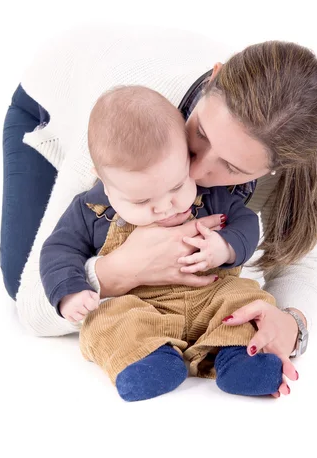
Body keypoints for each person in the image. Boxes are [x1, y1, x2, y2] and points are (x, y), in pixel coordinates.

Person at [1, 26, 317, 398]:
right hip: (52, 101)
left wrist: (290, 323)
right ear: (213, 79)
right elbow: (33, 305)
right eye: (201, 132)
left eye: (232, 169)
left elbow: (300, 259)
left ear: (276, 168)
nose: (196, 174)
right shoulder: (125, 124)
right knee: (18, 275)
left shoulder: (275, 134)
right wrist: (118, 271)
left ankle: (232, 356)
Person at [39, 86, 283, 401]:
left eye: (177, 185)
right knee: (105, 320)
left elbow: (247, 223)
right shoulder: (90, 210)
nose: (166, 206)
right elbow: (58, 251)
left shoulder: (210, 195)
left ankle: (237, 357)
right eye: (142, 200)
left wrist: (225, 247)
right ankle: (149, 359)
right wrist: (69, 292)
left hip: (209, 294)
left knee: (244, 297)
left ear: (185, 155)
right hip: (140, 305)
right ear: (105, 181)